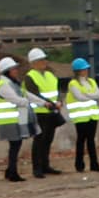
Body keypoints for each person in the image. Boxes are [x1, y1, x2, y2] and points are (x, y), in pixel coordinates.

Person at [23, 48, 64, 178]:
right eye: (41, 60)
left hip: (51, 112)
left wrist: (59, 101)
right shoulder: (30, 77)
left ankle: (45, 165)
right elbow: (35, 94)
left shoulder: (50, 75)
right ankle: (37, 168)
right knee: (39, 140)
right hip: (39, 113)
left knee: (48, 140)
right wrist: (52, 104)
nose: (44, 62)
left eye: (44, 59)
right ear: (33, 62)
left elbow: (57, 91)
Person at [0, 55, 35, 183]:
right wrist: (27, 101)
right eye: (13, 69)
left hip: (16, 119)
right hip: (9, 121)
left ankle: (10, 171)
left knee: (16, 146)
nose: (16, 70)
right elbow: (17, 100)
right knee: (15, 146)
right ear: (7, 71)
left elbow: (24, 96)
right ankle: (12, 173)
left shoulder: (13, 83)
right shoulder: (4, 85)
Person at [63, 57, 99, 173]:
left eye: (86, 69)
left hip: (92, 116)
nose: (86, 71)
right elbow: (79, 97)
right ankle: (79, 164)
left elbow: (98, 94)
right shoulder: (73, 83)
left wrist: (86, 94)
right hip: (80, 117)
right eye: (83, 69)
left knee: (91, 140)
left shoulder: (91, 81)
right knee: (81, 140)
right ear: (77, 71)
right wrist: (91, 94)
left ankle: (94, 164)